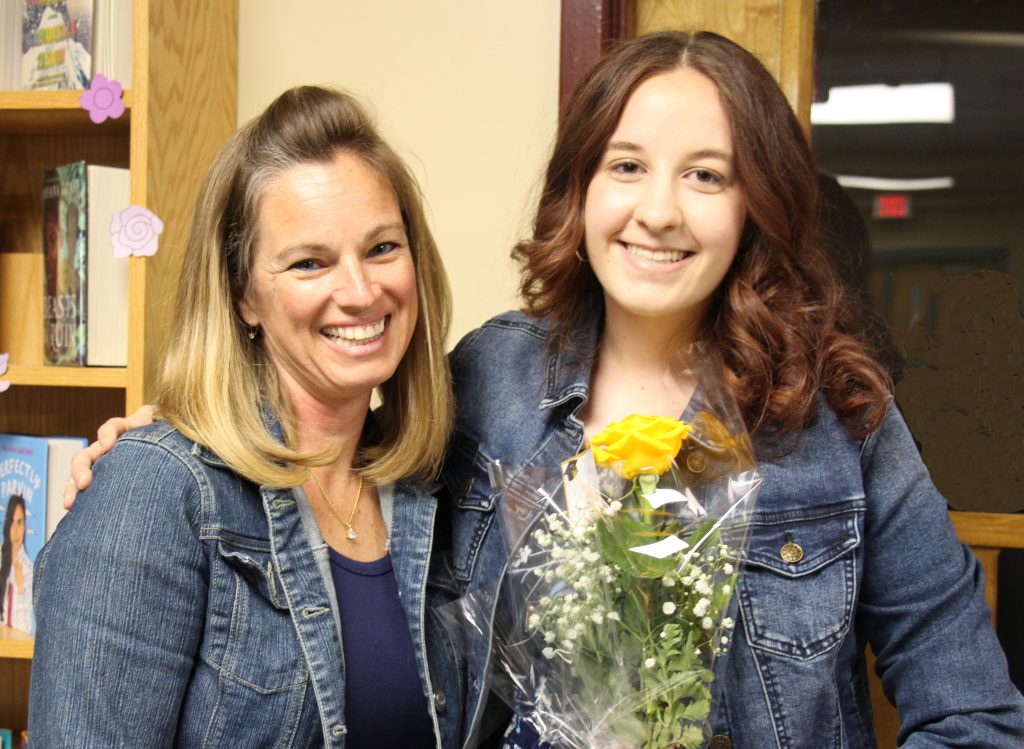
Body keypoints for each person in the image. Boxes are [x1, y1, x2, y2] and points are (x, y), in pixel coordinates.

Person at [67, 32, 1024, 747]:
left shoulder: (839, 425)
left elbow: (974, 714)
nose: (658, 210)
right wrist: (150, 455)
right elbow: (313, 441)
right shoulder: (487, 385)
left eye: (706, 174)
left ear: (755, 203)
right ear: (583, 188)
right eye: (627, 167)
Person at [29, 86, 464, 748]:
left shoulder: (432, 487)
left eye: (381, 248)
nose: (360, 291)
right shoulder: (152, 493)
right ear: (243, 296)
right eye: (309, 262)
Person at [1, 495, 31, 632]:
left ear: (25, 525)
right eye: (12, 522)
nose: (16, 531)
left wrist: (19, 588)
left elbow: (27, 624)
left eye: (19, 522)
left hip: (19, 647)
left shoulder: (29, 568)